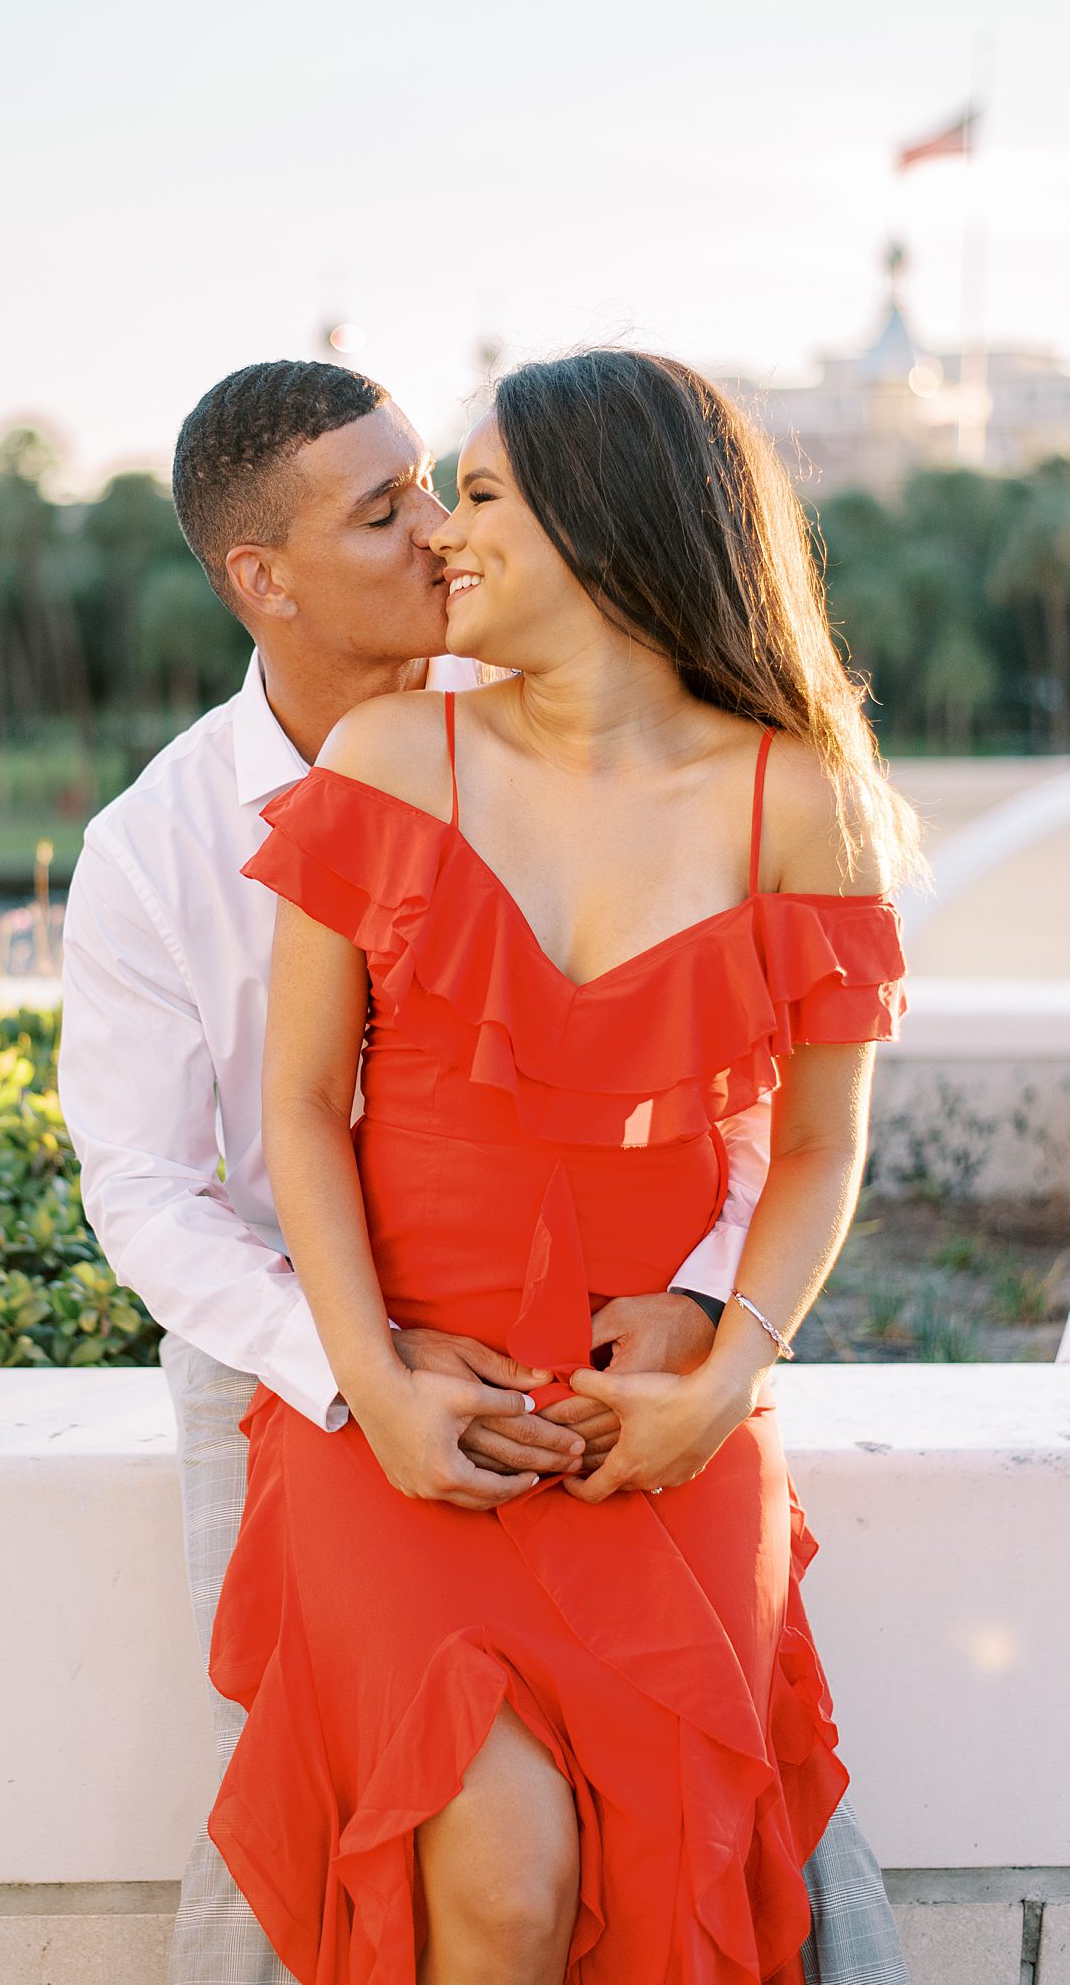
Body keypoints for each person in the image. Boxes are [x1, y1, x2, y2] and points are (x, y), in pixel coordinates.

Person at [58, 359, 902, 1985]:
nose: (442, 534)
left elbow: (775, 1124)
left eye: (462, 492)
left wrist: (719, 1332)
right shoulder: (183, 836)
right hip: (300, 1358)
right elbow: (163, 1186)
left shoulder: (764, 795)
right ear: (265, 577)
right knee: (353, 1854)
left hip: (637, 1369)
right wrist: (357, 1368)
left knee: (744, 1843)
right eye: (393, 509)